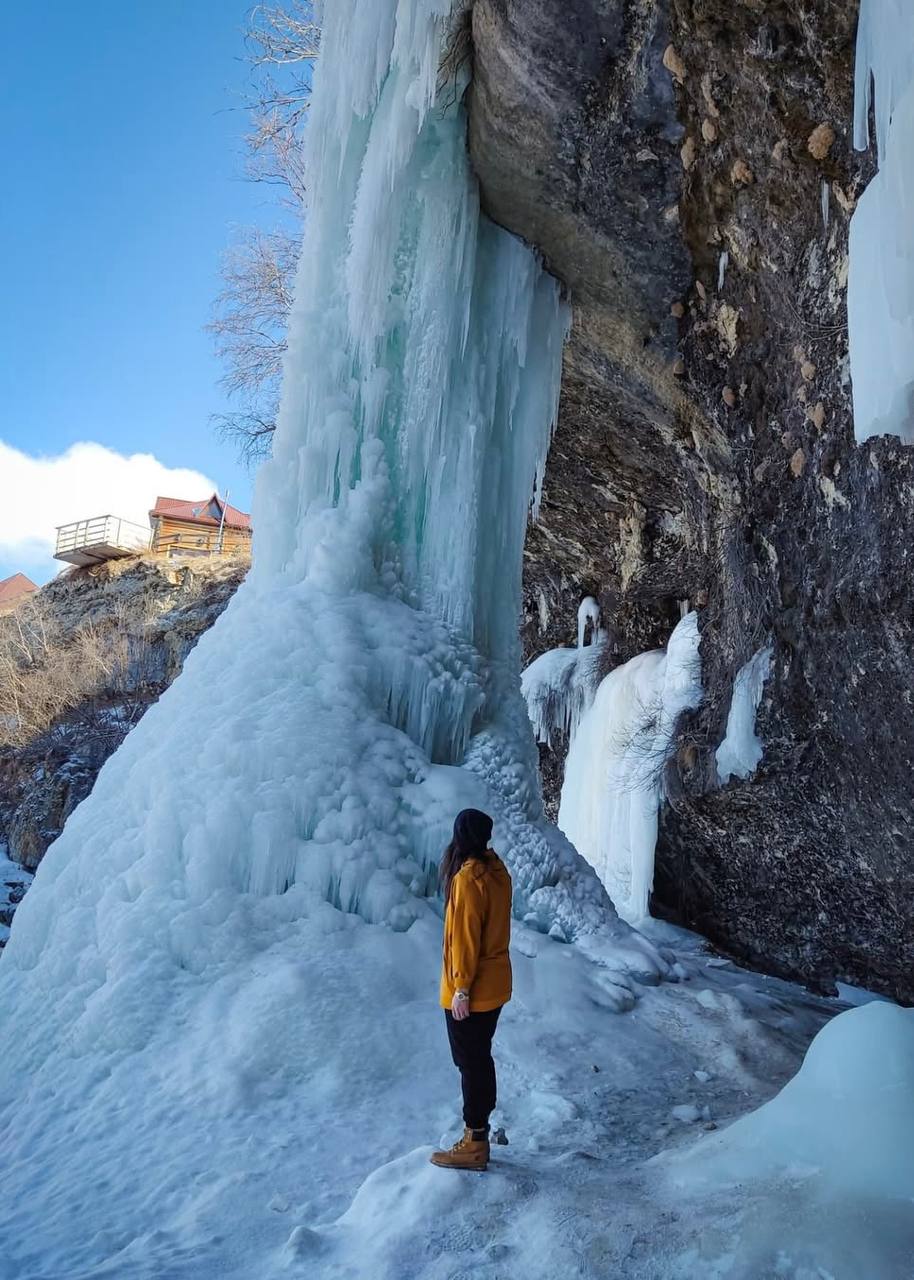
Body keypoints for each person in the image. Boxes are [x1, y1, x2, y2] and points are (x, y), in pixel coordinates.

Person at [430, 808, 512, 1171]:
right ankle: (478, 1132)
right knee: (479, 1058)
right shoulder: (497, 872)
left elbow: (464, 939)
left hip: (472, 989)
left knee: (470, 1062)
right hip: (495, 984)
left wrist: (461, 988)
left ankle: (474, 1141)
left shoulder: (467, 879)